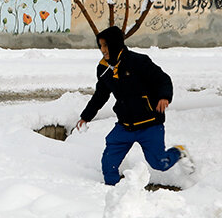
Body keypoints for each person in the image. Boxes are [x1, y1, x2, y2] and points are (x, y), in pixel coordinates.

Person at [76, 25, 191, 186]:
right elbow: (100, 95)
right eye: (100, 46)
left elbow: (162, 79)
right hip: (125, 126)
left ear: (115, 44)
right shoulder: (103, 69)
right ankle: (112, 193)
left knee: (160, 163)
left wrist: (164, 97)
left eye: (105, 45)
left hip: (150, 124)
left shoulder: (138, 62)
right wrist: (85, 117)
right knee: (109, 164)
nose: (102, 50)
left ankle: (178, 152)